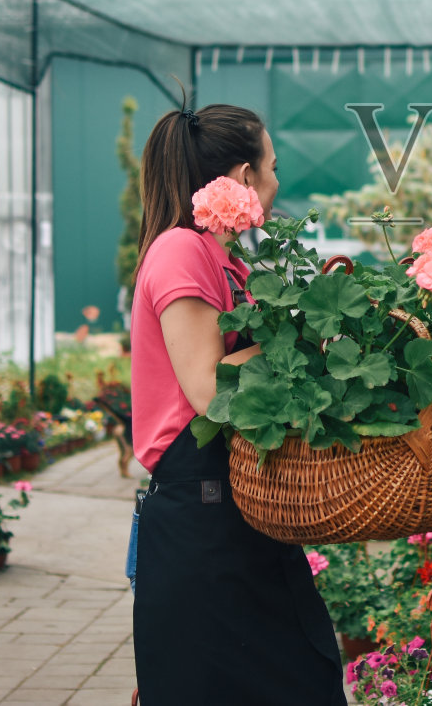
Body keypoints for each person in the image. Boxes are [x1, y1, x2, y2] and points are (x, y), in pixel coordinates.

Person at [128, 102, 343, 705]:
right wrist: (308, 340)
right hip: (203, 521)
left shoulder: (230, 262)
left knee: (304, 673)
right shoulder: (181, 250)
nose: (278, 183)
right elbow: (205, 386)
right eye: (273, 168)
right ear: (245, 178)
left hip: (236, 507)